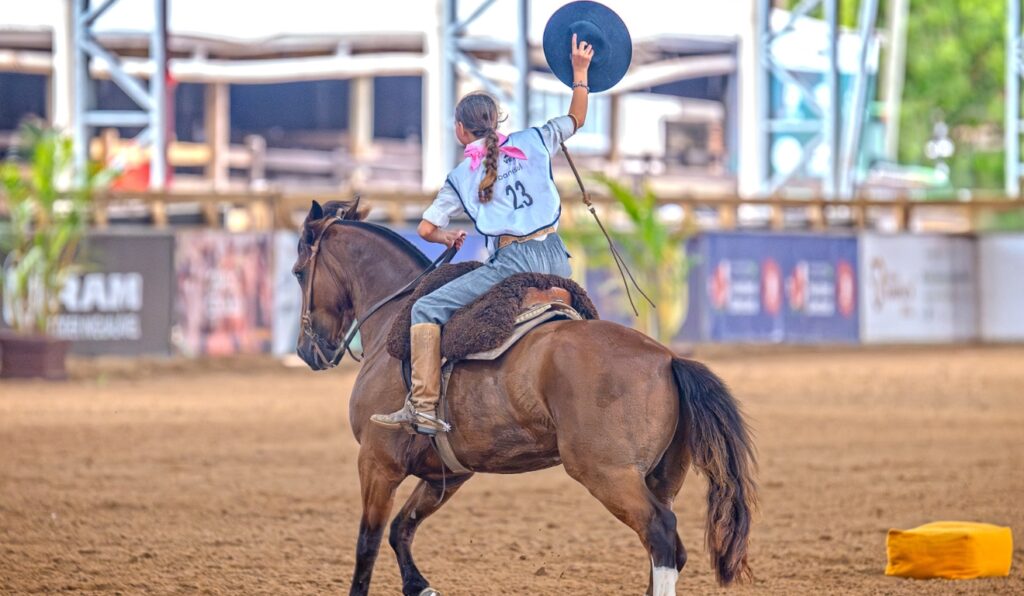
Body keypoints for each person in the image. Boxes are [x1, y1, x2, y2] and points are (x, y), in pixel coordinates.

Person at [371, 34, 595, 435]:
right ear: (497, 120)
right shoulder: (536, 139)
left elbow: (425, 228)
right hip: (558, 258)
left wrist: (446, 239)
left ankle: (423, 405)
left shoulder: (460, 177)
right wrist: (580, 72)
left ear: (461, 130)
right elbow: (577, 117)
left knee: (424, 310)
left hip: (511, 264)